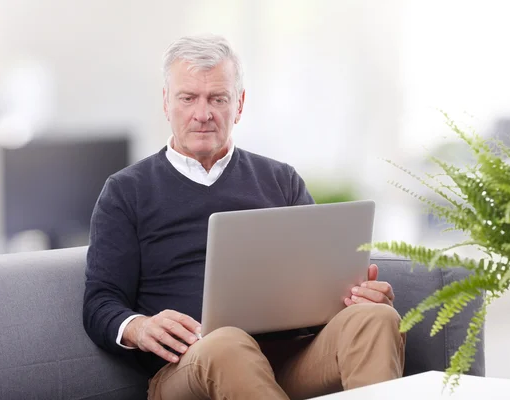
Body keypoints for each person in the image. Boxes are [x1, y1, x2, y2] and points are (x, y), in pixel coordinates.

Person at [83, 34, 406, 400]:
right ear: (166, 102)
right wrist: (139, 327)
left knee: (376, 319)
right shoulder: (126, 191)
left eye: (217, 99)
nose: (202, 114)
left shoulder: (281, 180)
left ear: (239, 104)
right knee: (227, 343)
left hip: (292, 360)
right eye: (188, 98)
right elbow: (100, 302)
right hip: (190, 367)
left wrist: (357, 295)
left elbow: (320, 280)